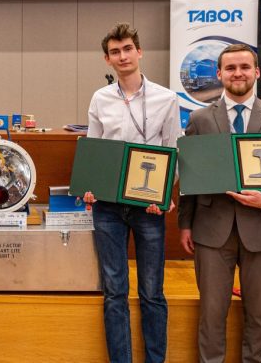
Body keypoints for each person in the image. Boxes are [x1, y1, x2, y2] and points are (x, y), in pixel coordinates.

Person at [177, 43, 261, 363]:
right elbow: (189, 177)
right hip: (211, 231)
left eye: (245, 67)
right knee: (211, 316)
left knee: (259, 316)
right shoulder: (200, 119)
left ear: (256, 72)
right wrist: (185, 224)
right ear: (219, 74)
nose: (238, 73)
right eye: (230, 68)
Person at [83, 23, 182, 363]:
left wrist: (164, 195)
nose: (122, 56)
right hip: (108, 207)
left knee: (152, 292)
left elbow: (173, 151)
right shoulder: (100, 98)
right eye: (115, 52)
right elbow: (95, 150)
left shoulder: (166, 98)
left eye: (127, 49)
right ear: (107, 59)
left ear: (139, 52)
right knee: (114, 292)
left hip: (147, 205)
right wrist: (91, 187)